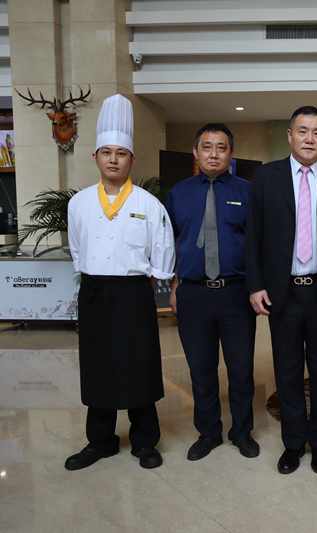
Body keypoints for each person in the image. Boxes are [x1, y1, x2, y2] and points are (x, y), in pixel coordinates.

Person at [65, 94, 175, 471]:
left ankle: (145, 442)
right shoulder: (78, 204)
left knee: (139, 365)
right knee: (97, 366)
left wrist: (160, 289)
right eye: (106, 153)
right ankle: (100, 441)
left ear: (132, 159)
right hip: (94, 291)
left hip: (133, 293)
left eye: (121, 153)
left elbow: (163, 252)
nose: (113, 159)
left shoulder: (148, 205)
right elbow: (76, 248)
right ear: (95, 156)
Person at [246, 106, 317, 475]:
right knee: (287, 370)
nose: (309, 139)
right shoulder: (266, 177)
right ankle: (293, 444)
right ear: (290, 135)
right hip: (282, 292)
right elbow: (253, 235)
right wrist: (255, 285)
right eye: (302, 131)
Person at [166, 123, 258, 461]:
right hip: (193, 293)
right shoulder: (178, 193)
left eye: (221, 147)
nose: (214, 154)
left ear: (231, 153)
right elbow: (170, 243)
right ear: (196, 152)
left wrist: (257, 287)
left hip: (236, 293)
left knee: (240, 369)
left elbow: (257, 245)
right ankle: (208, 432)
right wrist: (174, 286)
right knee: (201, 369)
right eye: (207, 147)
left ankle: (242, 432)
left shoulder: (248, 192)